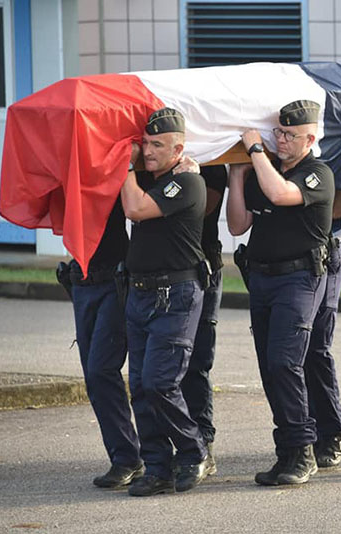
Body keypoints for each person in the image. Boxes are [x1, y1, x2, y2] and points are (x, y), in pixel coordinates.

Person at [226, 100, 335, 486]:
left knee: (285, 364)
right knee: (269, 369)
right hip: (263, 279)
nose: (281, 139)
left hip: (299, 279)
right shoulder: (262, 174)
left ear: (309, 138)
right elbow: (238, 225)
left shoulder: (317, 173)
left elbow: (281, 195)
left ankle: (304, 451)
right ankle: (287, 450)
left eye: (289, 134)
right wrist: (237, 177)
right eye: (278, 133)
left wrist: (255, 149)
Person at [120, 107, 209, 496]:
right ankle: (157, 467)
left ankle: (193, 452)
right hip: (140, 293)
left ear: (179, 150)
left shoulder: (186, 183)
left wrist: (126, 166)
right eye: (145, 143)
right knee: (140, 385)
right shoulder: (149, 179)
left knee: (160, 382)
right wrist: (134, 166)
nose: (149, 150)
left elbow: (136, 208)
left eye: (158, 144)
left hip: (175, 295)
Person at [57, 199, 142, 488]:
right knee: (94, 377)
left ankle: (128, 458)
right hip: (82, 282)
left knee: (101, 371)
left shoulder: (110, 169)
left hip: (113, 281)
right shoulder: (70, 174)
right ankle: (126, 456)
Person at [180, 164, 227, 475]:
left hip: (202, 266)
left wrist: (184, 180)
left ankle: (202, 443)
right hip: (158, 268)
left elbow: (199, 209)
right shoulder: (152, 159)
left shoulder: (212, 165)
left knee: (196, 361)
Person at [305, 194, 341, 469]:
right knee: (291, 355)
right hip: (287, 254)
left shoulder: (338, 151)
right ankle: (306, 434)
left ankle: (332, 433)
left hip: (323, 251)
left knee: (316, 349)